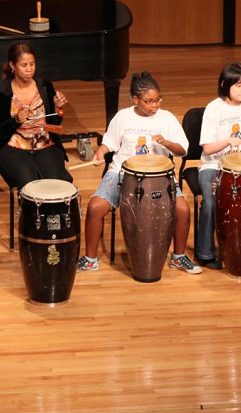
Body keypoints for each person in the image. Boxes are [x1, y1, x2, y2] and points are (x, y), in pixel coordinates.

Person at [78, 72, 200, 274]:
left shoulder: (167, 118)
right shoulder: (122, 117)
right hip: (122, 173)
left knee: (182, 210)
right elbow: (109, 142)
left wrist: (166, 142)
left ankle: (178, 257)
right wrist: (100, 151)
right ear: (135, 99)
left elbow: (182, 150)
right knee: (95, 208)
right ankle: (90, 259)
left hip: (159, 177)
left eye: (158, 99)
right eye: (149, 101)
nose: (155, 105)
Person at [194, 62, 241, 270]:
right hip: (213, 166)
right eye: (238, 85)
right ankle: (205, 253)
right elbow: (207, 148)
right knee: (211, 202)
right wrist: (228, 141)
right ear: (224, 85)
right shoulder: (213, 109)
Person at [0, 42, 72, 188]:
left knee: (55, 184)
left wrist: (57, 108)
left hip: (44, 143)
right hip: (12, 147)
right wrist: (15, 121)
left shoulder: (44, 85)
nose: (29, 69)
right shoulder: (1, 92)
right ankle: (30, 211)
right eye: (24, 65)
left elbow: (53, 124)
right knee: (29, 184)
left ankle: (54, 211)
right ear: (13, 66)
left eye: (32, 64)